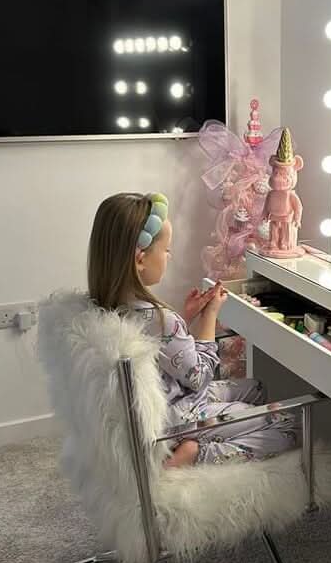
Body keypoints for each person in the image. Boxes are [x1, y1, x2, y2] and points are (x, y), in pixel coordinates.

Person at [87, 192, 300, 467]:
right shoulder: (162, 319)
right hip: (178, 417)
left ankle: (215, 436)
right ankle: (194, 456)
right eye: (166, 250)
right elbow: (199, 377)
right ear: (140, 259)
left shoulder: (107, 306)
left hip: (164, 403)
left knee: (256, 388)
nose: (169, 256)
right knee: (288, 424)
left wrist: (184, 318)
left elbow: (159, 348)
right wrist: (209, 316)